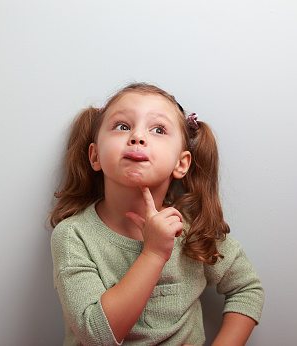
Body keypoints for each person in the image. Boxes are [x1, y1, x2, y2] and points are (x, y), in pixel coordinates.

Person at [50, 83, 264, 345]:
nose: (138, 137)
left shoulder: (193, 232)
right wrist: (154, 253)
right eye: (122, 126)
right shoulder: (74, 236)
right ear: (95, 156)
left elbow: (246, 288)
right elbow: (97, 336)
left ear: (181, 163)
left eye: (158, 130)